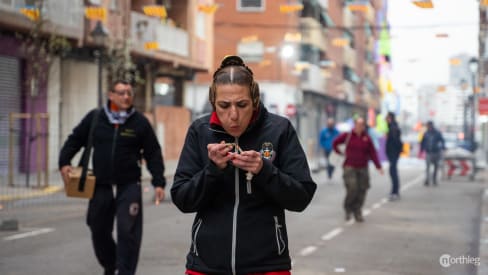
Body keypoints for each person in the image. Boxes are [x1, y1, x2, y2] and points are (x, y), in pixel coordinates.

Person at [171, 55, 317, 275]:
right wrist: (212, 171)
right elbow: (182, 199)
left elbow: (301, 197)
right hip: (206, 266)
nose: (234, 115)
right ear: (213, 102)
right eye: (224, 105)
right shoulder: (200, 131)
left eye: (242, 105)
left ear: (255, 100)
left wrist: (264, 170)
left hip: (267, 266)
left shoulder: (279, 130)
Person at [58, 80, 166, 275]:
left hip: (129, 185)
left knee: (128, 232)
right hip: (100, 184)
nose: (126, 96)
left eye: (129, 93)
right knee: (97, 227)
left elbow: (153, 153)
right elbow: (75, 139)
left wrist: (159, 181)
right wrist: (64, 161)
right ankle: (110, 263)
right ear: (111, 95)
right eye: (121, 93)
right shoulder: (96, 117)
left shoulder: (139, 122)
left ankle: (125, 272)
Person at [333, 117, 383, 222]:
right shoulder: (347, 136)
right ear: (354, 125)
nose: (360, 127)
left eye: (362, 125)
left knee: (362, 190)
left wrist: (378, 166)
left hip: (363, 167)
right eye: (358, 124)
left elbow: (372, 153)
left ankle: (357, 211)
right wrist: (340, 153)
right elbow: (335, 143)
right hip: (349, 167)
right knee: (352, 188)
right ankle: (348, 208)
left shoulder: (367, 138)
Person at [420, 120, 445, 186]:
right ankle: (427, 180)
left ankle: (434, 180)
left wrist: (443, 147)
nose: (428, 127)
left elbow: (442, 140)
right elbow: (422, 142)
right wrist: (421, 150)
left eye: (428, 125)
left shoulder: (437, 133)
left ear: (431, 125)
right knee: (427, 167)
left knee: (436, 167)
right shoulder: (426, 133)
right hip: (428, 152)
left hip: (436, 152)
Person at [385, 112, 403, 201]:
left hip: (393, 154)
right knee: (393, 172)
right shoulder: (392, 127)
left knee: (393, 172)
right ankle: (395, 191)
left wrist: (394, 153)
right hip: (393, 154)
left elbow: (397, 142)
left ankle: (395, 191)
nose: (385, 120)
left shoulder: (393, 128)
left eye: (387, 118)